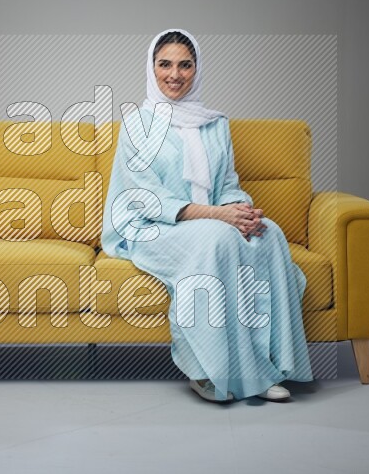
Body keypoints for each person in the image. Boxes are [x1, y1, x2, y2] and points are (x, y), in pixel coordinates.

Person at [101, 29, 314, 402]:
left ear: (197, 70)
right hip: (155, 228)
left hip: (212, 220)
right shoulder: (138, 125)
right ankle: (207, 371)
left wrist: (241, 211)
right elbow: (149, 199)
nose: (174, 74)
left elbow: (228, 183)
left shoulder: (215, 124)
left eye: (185, 65)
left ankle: (269, 366)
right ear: (151, 69)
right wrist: (219, 216)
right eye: (164, 64)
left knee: (270, 233)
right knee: (214, 239)